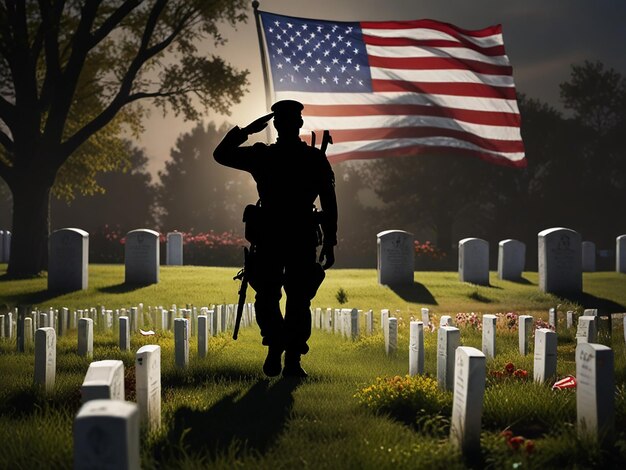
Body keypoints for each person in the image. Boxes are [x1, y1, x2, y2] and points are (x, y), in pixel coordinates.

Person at [214, 100, 338, 378]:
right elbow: (329, 203)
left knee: (269, 295)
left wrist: (246, 130)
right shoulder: (314, 159)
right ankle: (289, 356)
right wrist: (330, 240)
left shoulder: (263, 155)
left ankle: (278, 348)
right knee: (297, 298)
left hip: (272, 235)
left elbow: (221, 154)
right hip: (299, 235)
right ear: (300, 124)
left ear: (276, 125)